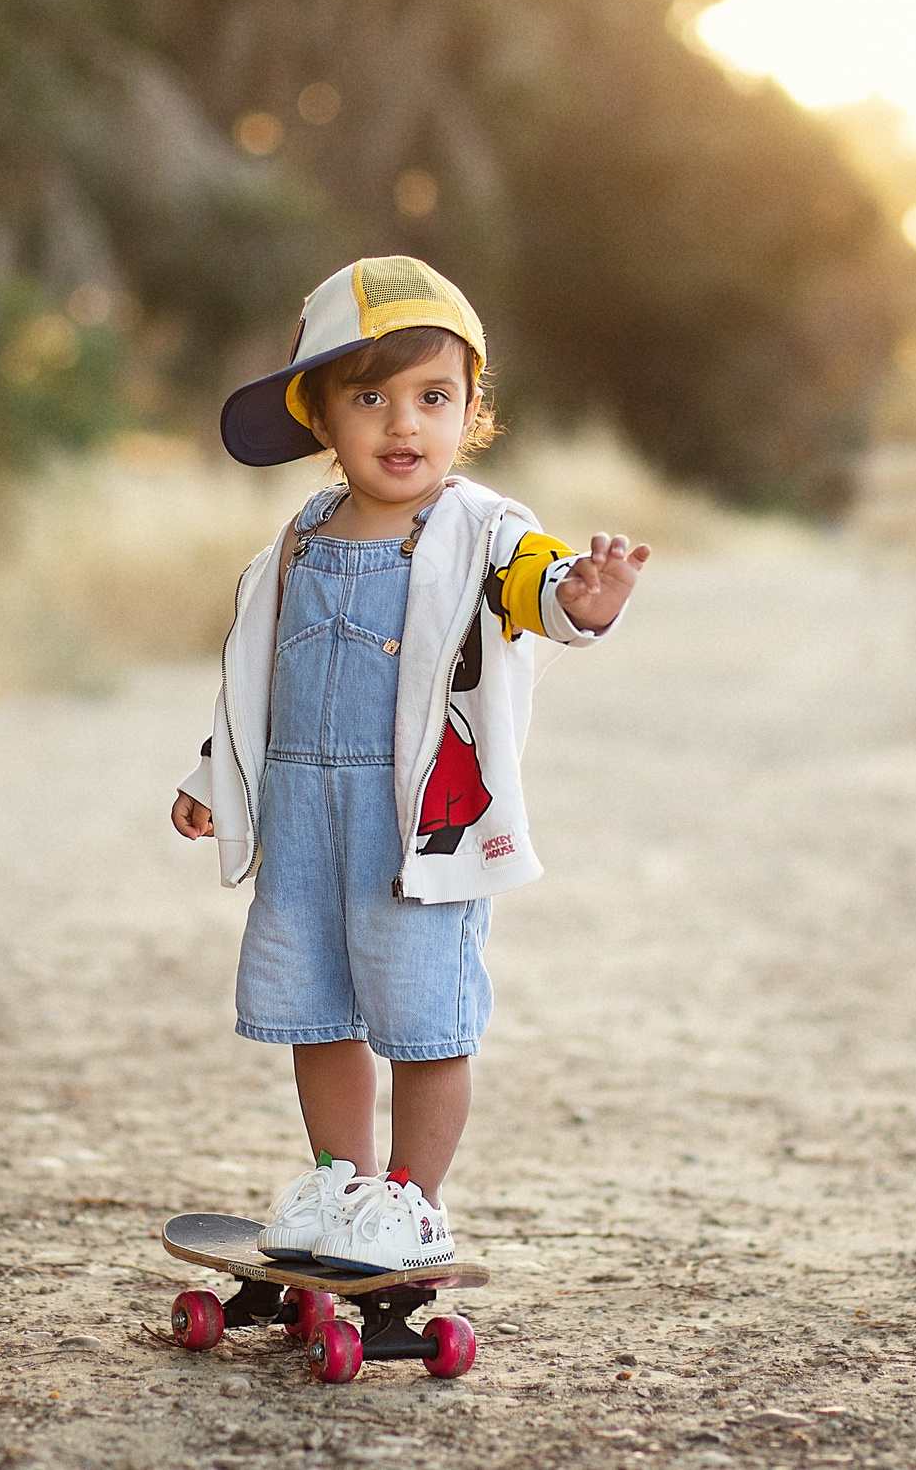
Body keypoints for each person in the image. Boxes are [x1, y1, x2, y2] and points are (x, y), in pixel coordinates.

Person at [171, 256, 649, 1273]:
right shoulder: (296, 541)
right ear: (319, 418)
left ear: (471, 409)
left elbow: (545, 592)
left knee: (424, 1015)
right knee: (316, 1006)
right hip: (305, 820)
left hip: (416, 830)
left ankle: (413, 1202)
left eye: (433, 398)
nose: (403, 425)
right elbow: (255, 680)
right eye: (370, 398)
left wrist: (588, 598)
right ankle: (339, 1181)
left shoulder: (489, 535)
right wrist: (216, 776)